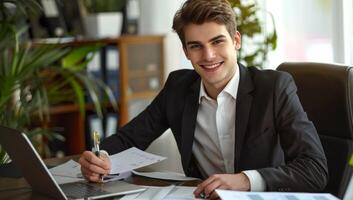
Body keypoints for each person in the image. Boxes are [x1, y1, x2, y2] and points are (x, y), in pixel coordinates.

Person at [79, 0, 328, 199]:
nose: (208, 55)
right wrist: (100, 158)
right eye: (196, 46)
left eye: (217, 41)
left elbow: (315, 169)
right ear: (186, 52)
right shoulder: (178, 88)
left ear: (236, 41)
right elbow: (130, 138)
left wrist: (245, 180)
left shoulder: (274, 88)